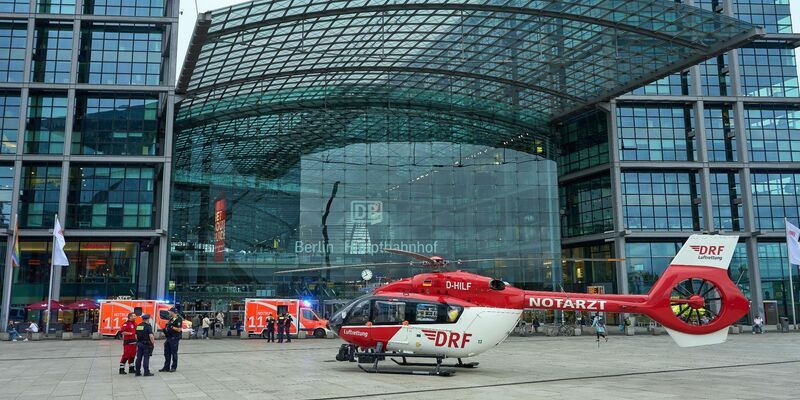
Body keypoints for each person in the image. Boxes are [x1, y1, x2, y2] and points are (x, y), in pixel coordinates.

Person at [159, 308, 183, 372]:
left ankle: (173, 367)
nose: (168, 313)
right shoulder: (171, 319)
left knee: (174, 353)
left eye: (169, 312)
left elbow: (179, 329)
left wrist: (172, 327)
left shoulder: (178, 319)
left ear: (173, 312)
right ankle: (166, 367)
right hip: (169, 338)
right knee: (166, 353)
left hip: (174, 338)